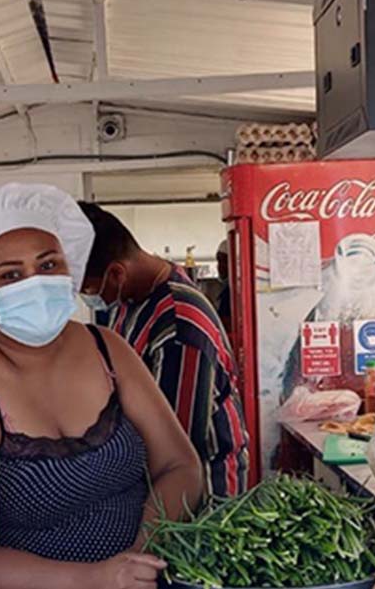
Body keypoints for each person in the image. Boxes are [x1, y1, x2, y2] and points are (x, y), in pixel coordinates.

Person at [0, 183, 205, 589]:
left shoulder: (108, 349)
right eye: (10, 275)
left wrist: (140, 554)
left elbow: (180, 465)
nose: (34, 283)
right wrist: (94, 583)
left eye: (48, 264)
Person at [77, 202, 251, 498]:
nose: (88, 299)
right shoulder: (132, 300)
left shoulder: (178, 328)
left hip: (201, 493)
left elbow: (177, 446)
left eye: (90, 291)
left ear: (117, 274)